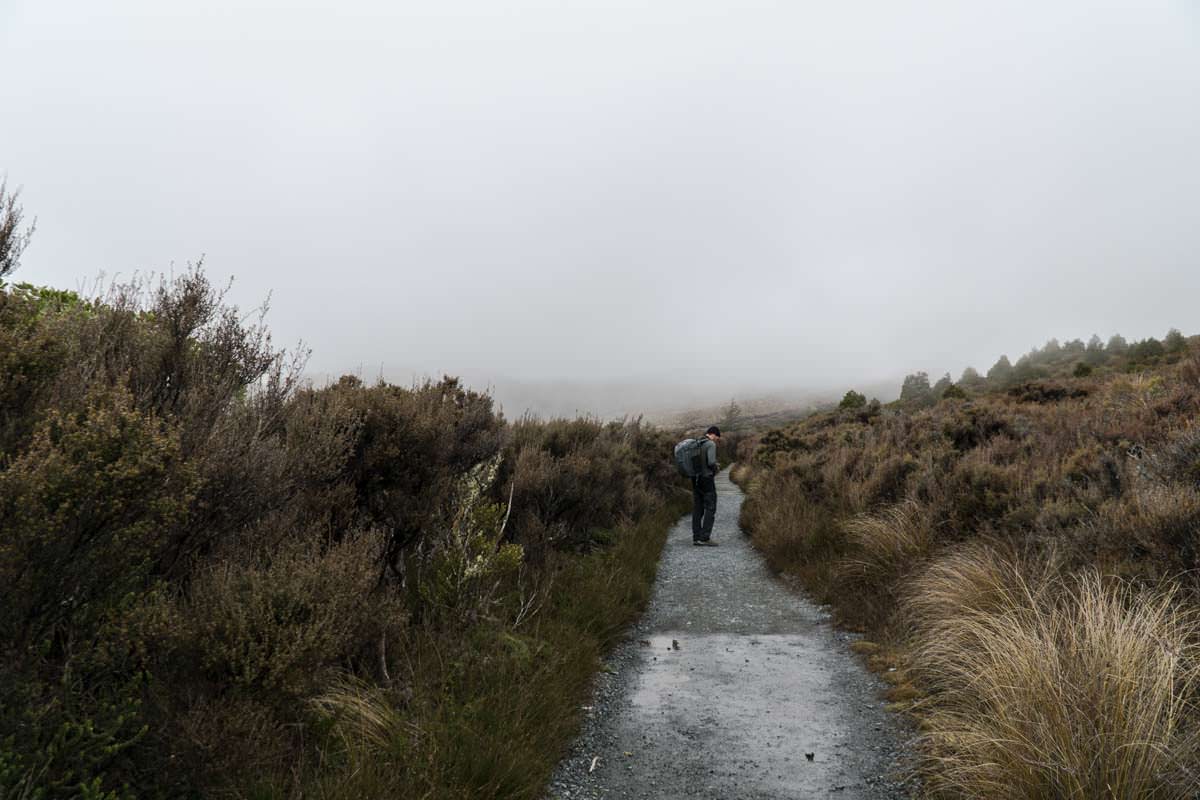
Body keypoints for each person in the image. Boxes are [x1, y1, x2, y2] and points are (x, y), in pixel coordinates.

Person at [692, 425, 720, 545]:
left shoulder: (698, 442)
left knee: (698, 508)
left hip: (696, 479)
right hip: (707, 480)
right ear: (713, 434)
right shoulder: (710, 444)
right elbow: (711, 462)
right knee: (710, 507)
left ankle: (696, 537)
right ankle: (705, 538)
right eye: (717, 438)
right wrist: (716, 468)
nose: (716, 440)